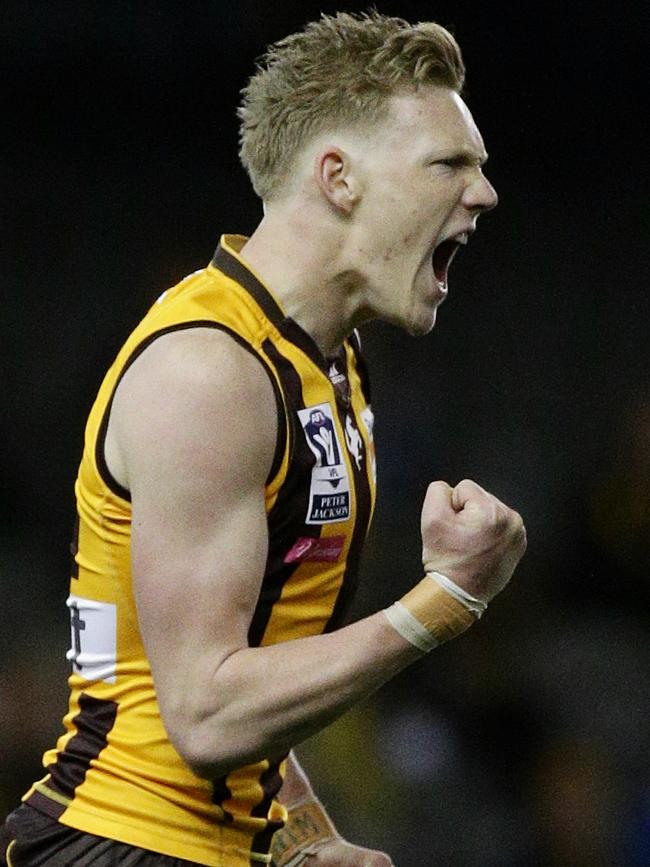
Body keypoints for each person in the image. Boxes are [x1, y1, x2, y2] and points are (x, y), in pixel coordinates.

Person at [1, 11, 526, 867]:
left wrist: (304, 836)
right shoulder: (209, 372)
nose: (483, 191)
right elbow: (206, 714)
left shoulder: (330, 365)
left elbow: (259, 666)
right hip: (119, 845)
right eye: (449, 164)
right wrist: (448, 600)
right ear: (339, 178)